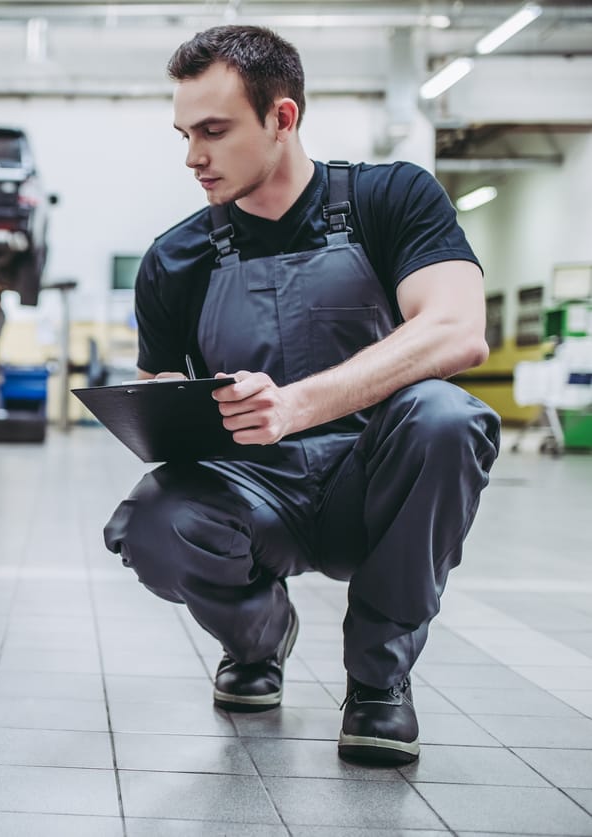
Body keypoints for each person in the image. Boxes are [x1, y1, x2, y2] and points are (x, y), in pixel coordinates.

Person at [102, 25, 501, 766]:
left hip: (375, 479)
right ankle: (258, 640)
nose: (194, 156)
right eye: (186, 133)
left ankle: (379, 684)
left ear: (283, 119)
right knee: (153, 521)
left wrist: (294, 404)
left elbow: (457, 328)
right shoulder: (175, 257)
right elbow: (161, 382)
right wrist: (158, 406)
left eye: (215, 131)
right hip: (256, 490)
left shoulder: (392, 199)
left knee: (449, 416)